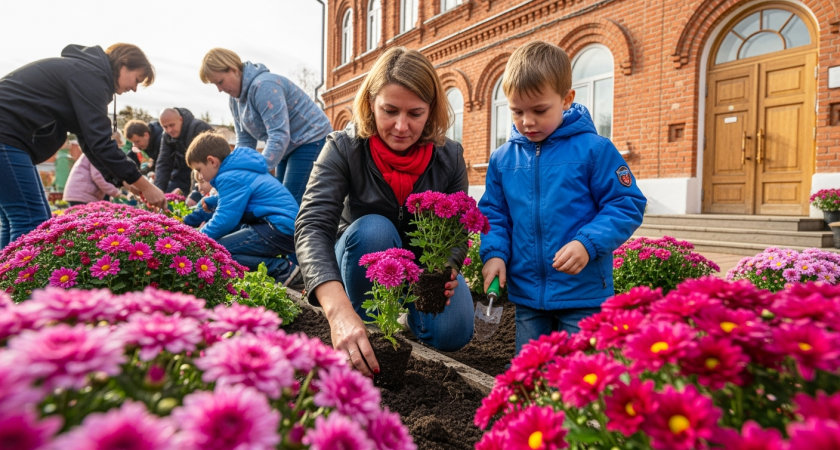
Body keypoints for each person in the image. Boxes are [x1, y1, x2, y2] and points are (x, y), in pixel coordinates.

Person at [294, 47, 473, 377]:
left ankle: (404, 317)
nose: (401, 126)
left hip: (419, 271)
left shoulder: (449, 157)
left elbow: (459, 229)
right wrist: (337, 311)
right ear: (370, 104)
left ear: (431, 111)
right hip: (361, 258)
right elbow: (312, 225)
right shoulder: (343, 148)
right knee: (373, 229)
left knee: (454, 331)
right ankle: (365, 324)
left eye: (415, 114)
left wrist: (446, 268)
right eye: (389, 110)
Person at [478, 41, 647, 356]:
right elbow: (494, 215)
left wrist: (587, 243)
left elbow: (626, 204)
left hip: (581, 294)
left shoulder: (595, 150)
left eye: (539, 110)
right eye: (517, 111)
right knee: (530, 375)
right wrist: (495, 254)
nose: (527, 121)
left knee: (579, 375)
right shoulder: (503, 159)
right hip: (527, 295)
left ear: (567, 99)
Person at [0, 43, 166, 247]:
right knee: (31, 221)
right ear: (123, 64)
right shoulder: (89, 76)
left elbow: (89, 141)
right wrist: (146, 186)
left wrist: (122, 180)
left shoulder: (85, 74)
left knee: (20, 220)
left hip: (10, 141)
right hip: (6, 138)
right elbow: (100, 141)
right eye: (137, 79)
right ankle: (22, 279)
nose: (134, 88)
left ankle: (7, 276)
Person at [199, 48, 332, 205]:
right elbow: (244, 142)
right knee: (278, 197)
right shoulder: (235, 100)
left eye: (220, 82)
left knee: (288, 201)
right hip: (287, 147)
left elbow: (279, 134)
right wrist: (233, 171)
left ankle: (299, 229)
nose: (220, 89)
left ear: (234, 69)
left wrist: (253, 172)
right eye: (215, 85)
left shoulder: (264, 86)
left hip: (311, 139)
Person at [187, 132, 299, 282]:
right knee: (223, 246)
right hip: (281, 228)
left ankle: (283, 269)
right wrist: (213, 201)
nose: (199, 176)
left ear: (212, 161)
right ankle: (284, 269)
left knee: (218, 250)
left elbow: (225, 220)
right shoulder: (237, 171)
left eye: (199, 169)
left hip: (277, 229)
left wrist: (196, 238)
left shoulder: (229, 177)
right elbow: (240, 196)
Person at [156, 107, 213, 194]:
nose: (169, 130)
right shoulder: (167, 135)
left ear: (181, 119)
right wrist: (158, 190)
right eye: (165, 127)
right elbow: (164, 162)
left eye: (171, 125)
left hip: (204, 177)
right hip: (181, 177)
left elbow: (205, 164)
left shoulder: (199, 128)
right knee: (165, 195)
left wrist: (194, 193)